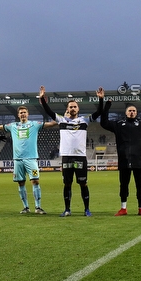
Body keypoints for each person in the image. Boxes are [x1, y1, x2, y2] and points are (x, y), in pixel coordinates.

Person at [0, 106, 57, 214]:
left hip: (31, 158)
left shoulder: (35, 124)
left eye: (24, 112)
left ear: (28, 114)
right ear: (18, 115)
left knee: (35, 181)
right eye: (21, 113)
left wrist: (63, 119)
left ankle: (38, 207)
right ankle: (26, 207)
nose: (23, 114)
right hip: (18, 159)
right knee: (21, 183)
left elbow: (51, 124)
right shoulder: (12, 126)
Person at [39, 86, 102, 217]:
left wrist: (101, 100)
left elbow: (98, 112)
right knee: (67, 184)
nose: (73, 108)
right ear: (67, 109)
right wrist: (42, 99)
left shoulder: (84, 120)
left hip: (80, 157)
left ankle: (87, 209)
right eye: (70, 107)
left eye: (75, 106)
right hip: (66, 157)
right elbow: (49, 112)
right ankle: (67, 209)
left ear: (78, 109)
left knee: (83, 183)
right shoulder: (61, 120)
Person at [97, 88, 141, 216]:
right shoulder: (118, 124)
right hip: (124, 160)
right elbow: (104, 123)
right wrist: (107, 106)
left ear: (136, 113)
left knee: (140, 186)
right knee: (123, 185)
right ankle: (123, 208)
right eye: (130, 111)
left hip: (138, 160)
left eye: (134, 111)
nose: (132, 112)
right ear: (126, 113)